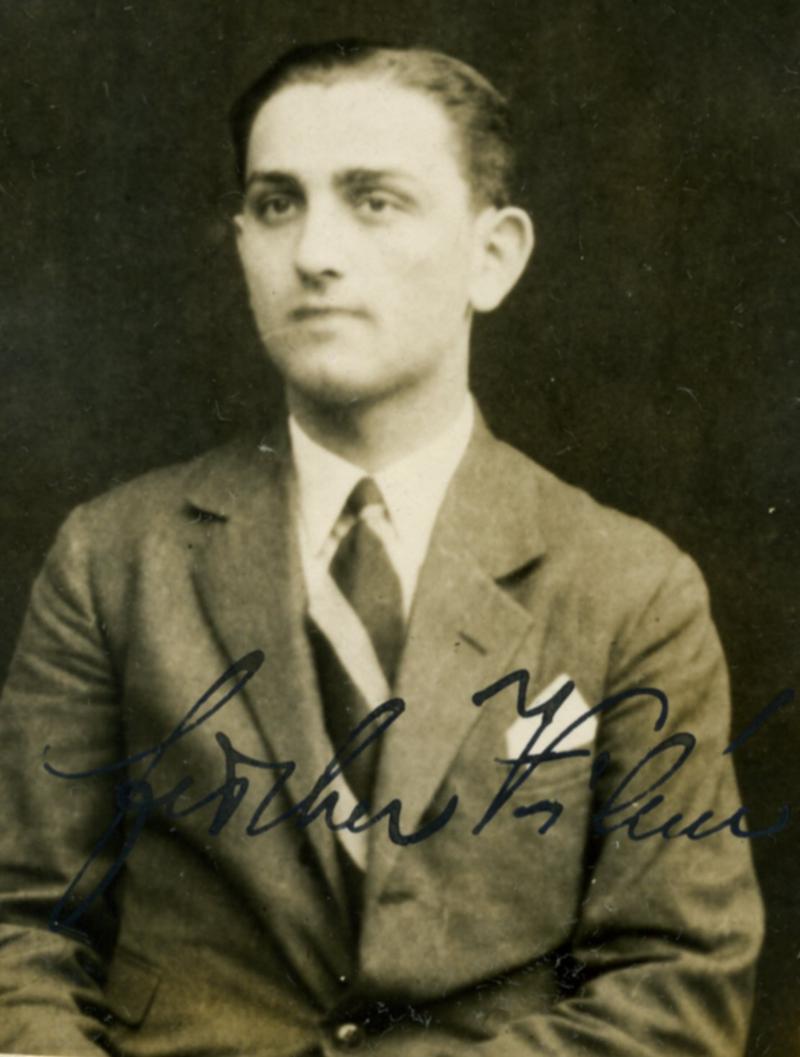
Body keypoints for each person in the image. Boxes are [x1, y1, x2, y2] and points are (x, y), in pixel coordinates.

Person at [0, 39, 764, 1057]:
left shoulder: (628, 589)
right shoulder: (113, 560)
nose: (315, 251)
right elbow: (22, 929)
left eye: (374, 201)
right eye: (278, 202)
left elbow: (679, 979)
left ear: (493, 256)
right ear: (242, 244)